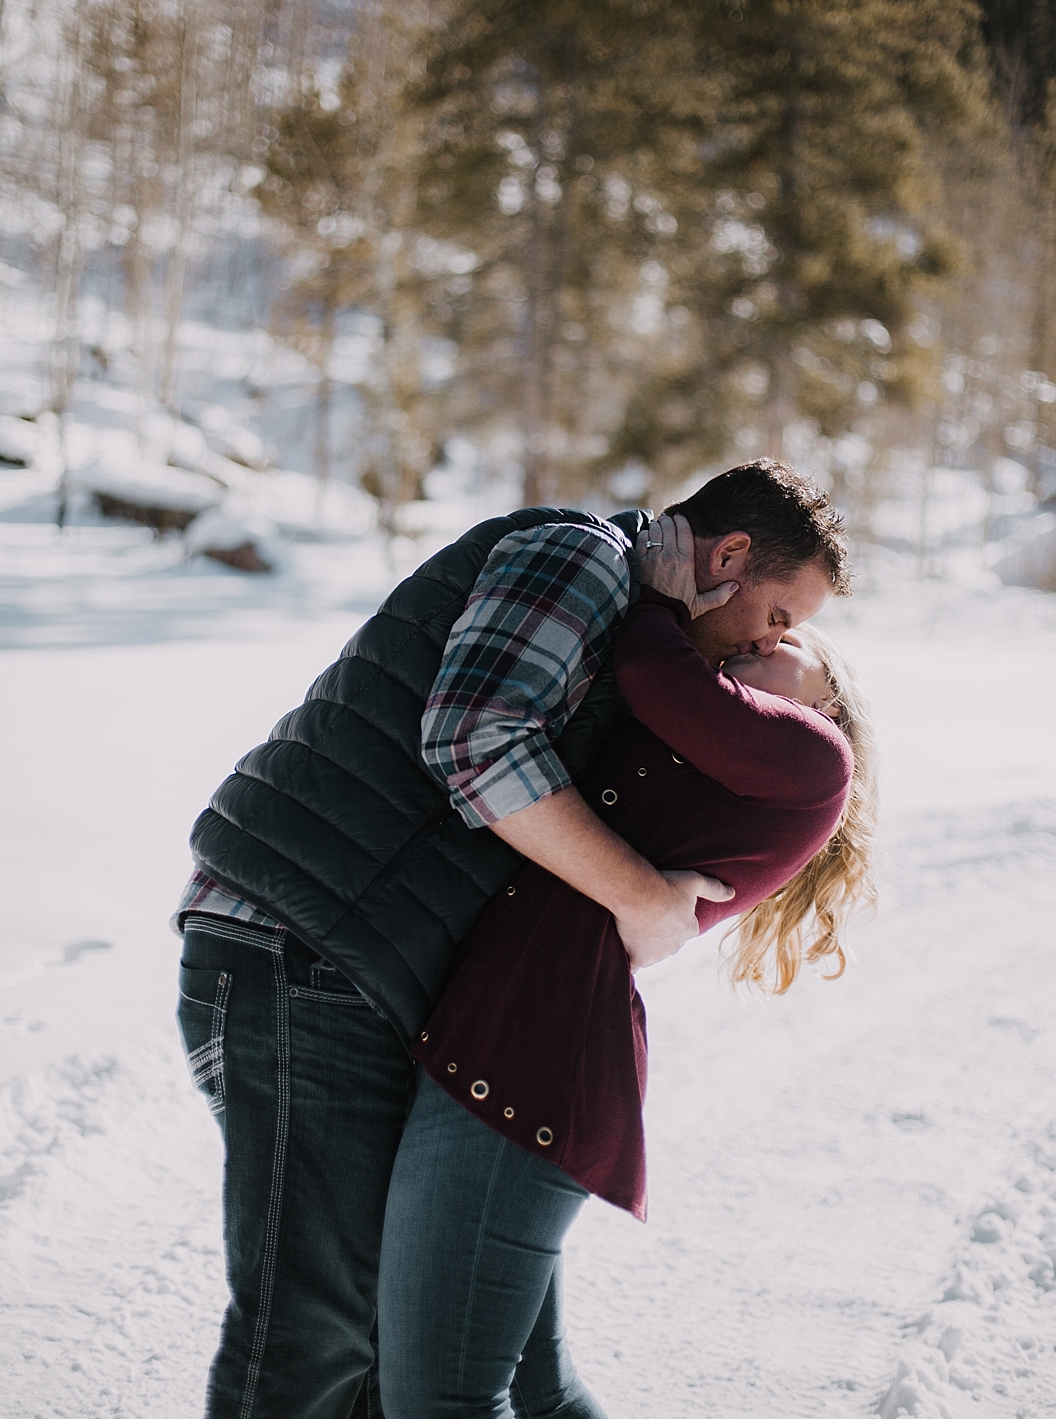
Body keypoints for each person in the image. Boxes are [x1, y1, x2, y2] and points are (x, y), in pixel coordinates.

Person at [175, 459, 850, 1418]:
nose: (768, 643)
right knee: (315, 1328)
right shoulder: (582, 556)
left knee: (374, 1330)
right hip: (307, 947)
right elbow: (476, 735)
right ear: (730, 555)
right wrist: (643, 901)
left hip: (347, 957)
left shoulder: (631, 630)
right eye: (778, 616)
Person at [375, 519, 877, 1419]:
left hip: (526, 1073)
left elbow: (654, 676)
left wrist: (658, 598)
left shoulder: (813, 757)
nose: (762, 641)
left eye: (788, 639)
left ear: (830, 701)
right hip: (516, 1058)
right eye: (768, 626)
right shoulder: (724, 754)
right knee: (539, 1393)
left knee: (439, 1400)